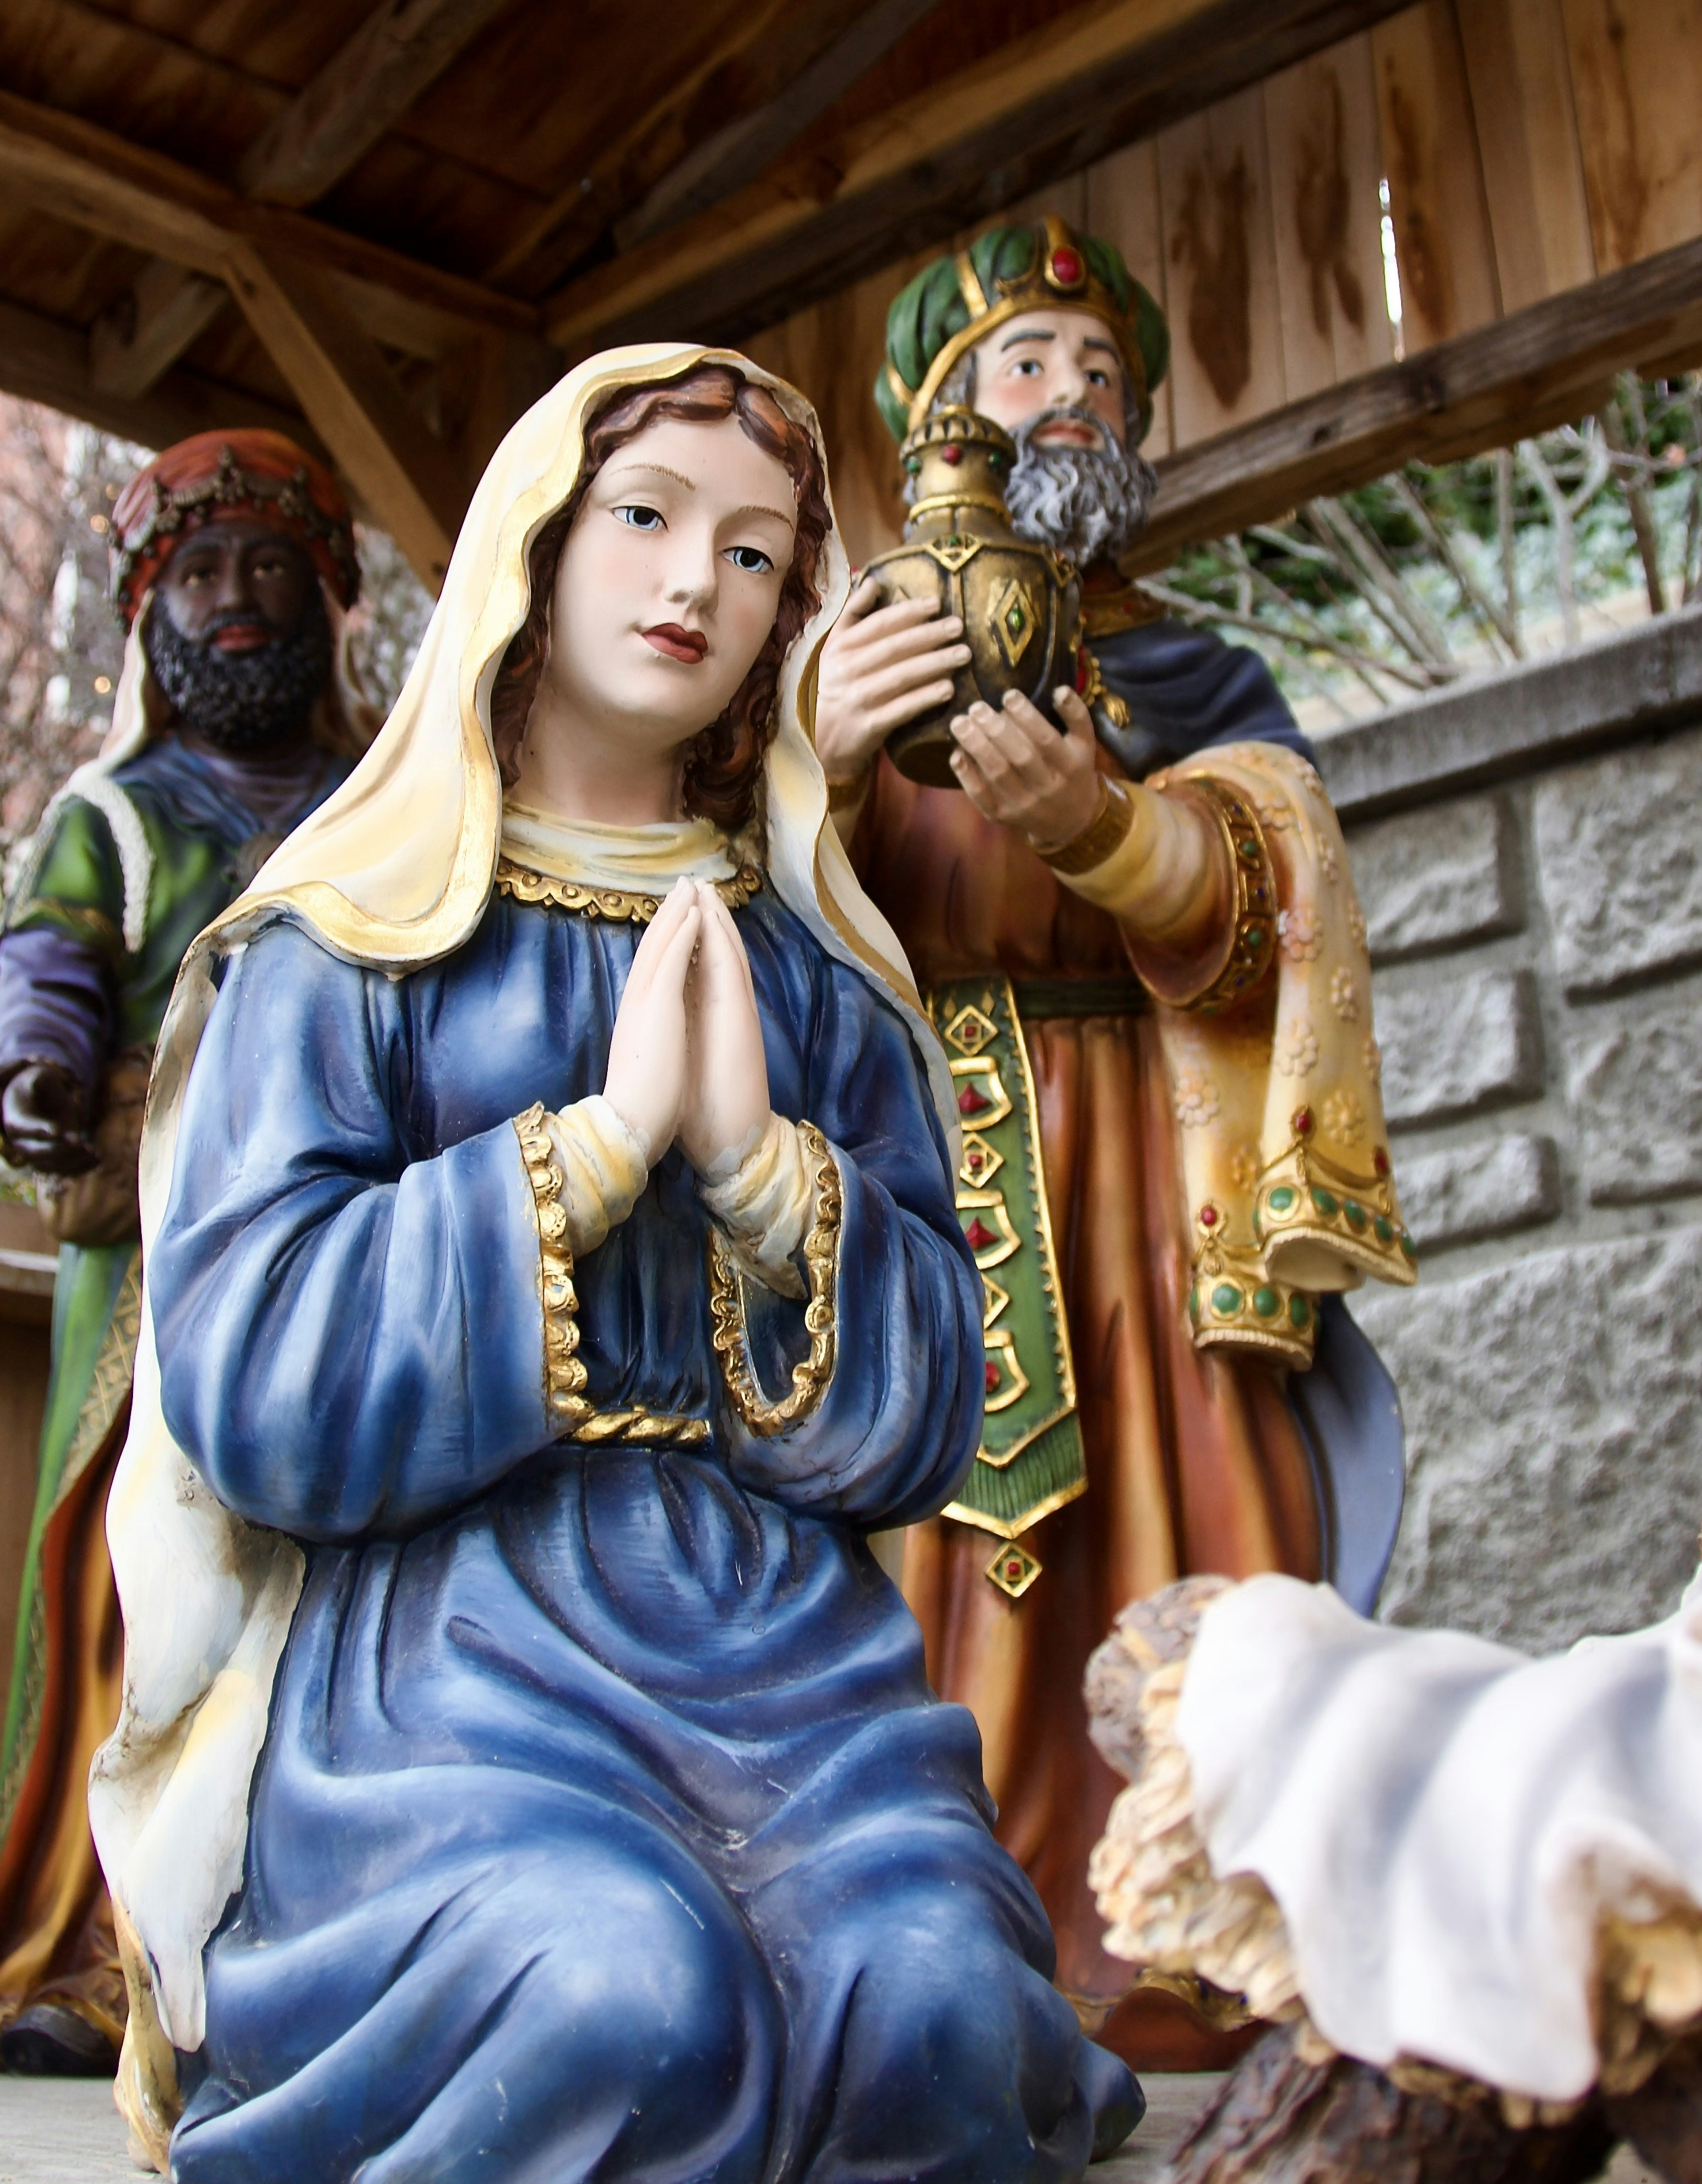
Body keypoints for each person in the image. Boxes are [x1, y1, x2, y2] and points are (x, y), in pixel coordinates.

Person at [88, 343, 1137, 2179]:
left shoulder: (807, 963)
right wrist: (584, 1158)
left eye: (753, 554)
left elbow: (933, 1409)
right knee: (622, 1999)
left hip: (782, 1658)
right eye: (646, 517)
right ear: (535, 542)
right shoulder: (349, 941)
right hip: (449, 1665)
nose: (692, 586)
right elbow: (252, 1375)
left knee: (939, 2015)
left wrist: (761, 1174)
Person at [806, 218, 1413, 2068]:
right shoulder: (855, 658)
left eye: (1100, 371)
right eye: (1025, 364)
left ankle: (1196, 1920)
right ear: (943, 423)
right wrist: (826, 758)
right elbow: (762, 912)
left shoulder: (1189, 673)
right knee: (932, 1554)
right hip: (933, 1161)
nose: (1070, 395)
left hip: (1156, 1173)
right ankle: (954, 1925)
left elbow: (1280, 879)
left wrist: (1110, 833)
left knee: (1204, 1510)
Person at [0, 431, 363, 2076]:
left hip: (341, 1255)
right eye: (196, 572)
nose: (234, 598)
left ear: (327, 595)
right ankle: (95, 1942)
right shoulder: (113, 815)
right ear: (146, 614)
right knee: (141, 1588)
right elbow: (47, 968)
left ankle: (301, 1947)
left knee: (329, 1595)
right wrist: (40, 1070)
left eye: (267, 565)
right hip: (155, 1265)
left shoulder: (386, 799)